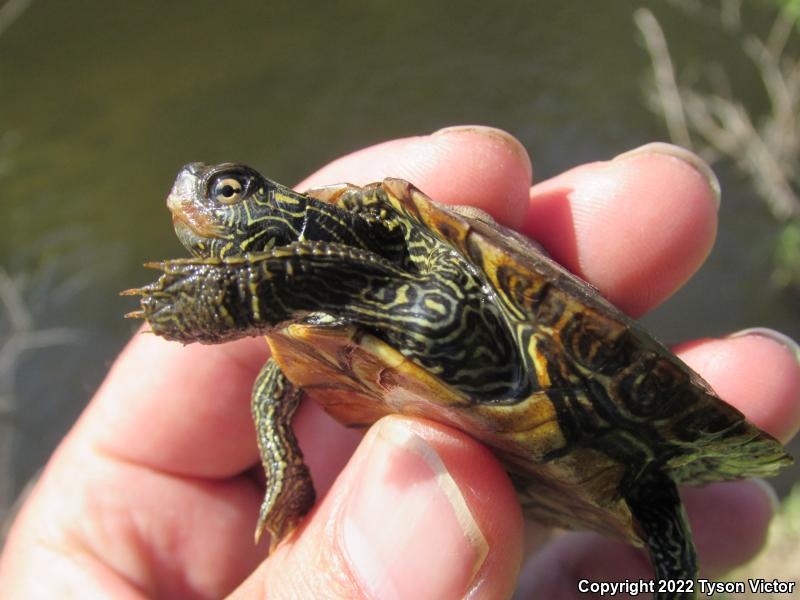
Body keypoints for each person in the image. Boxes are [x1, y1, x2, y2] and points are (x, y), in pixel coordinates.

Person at [1, 126, 798, 599]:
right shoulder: (297, 334)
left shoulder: (400, 245)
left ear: (281, 207)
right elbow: (276, 391)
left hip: (574, 405)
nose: (197, 198)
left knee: (654, 503)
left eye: (228, 189)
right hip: (511, 467)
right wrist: (287, 471)